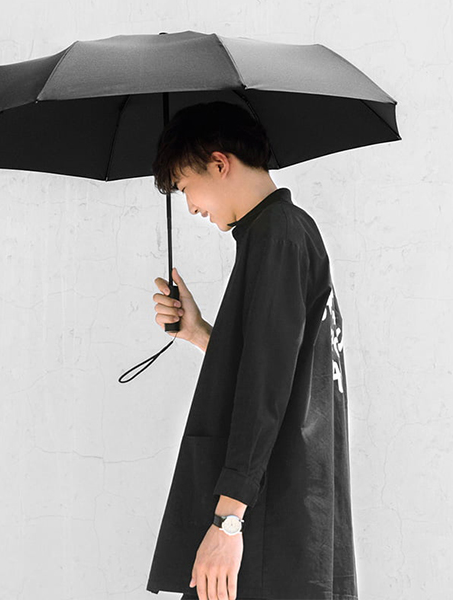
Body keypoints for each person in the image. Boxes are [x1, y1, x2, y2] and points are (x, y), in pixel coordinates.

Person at [144, 101, 359, 600]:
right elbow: (278, 366)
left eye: (185, 186)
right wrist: (199, 332)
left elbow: (265, 388)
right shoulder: (287, 232)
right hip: (284, 510)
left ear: (219, 163)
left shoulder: (277, 237)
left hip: (266, 522)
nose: (191, 207)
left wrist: (228, 522)